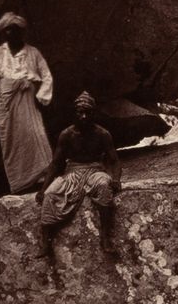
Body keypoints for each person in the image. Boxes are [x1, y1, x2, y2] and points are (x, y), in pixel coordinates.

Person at [0, 12, 54, 193]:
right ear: (2, 33)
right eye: (7, 30)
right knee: (11, 140)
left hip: (27, 97)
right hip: (5, 99)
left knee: (34, 134)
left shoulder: (33, 52)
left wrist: (41, 97)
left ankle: (40, 178)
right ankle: (20, 182)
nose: (11, 34)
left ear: (21, 32)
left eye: (15, 30)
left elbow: (46, 76)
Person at [35, 92, 122, 261]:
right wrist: (43, 188)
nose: (83, 116)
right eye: (80, 112)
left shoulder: (102, 134)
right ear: (74, 113)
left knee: (104, 186)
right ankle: (46, 242)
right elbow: (55, 164)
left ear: (93, 114)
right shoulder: (67, 134)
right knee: (51, 194)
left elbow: (114, 161)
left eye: (87, 112)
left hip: (95, 170)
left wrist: (116, 179)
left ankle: (105, 237)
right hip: (72, 171)